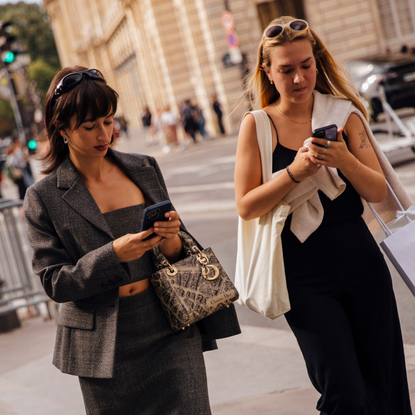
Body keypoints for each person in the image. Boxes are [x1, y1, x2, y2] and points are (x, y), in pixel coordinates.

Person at [23, 66, 240, 415]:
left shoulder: (143, 167)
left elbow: (178, 248)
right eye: (89, 126)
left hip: (169, 326)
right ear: (62, 129)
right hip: (105, 348)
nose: (103, 134)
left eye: (108, 121)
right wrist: (113, 254)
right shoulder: (43, 197)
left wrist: (170, 240)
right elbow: (55, 281)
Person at [235, 17, 412, 414]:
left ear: (317, 62)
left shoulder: (344, 114)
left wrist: (344, 159)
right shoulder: (258, 126)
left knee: (385, 385)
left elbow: (378, 191)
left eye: (306, 65)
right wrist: (294, 173)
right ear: (267, 71)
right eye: (286, 70)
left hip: (360, 260)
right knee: (342, 392)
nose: (299, 78)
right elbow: (246, 205)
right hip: (302, 273)